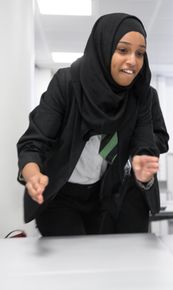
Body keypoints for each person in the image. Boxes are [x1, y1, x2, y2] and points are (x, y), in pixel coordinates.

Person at [17, 13, 160, 236]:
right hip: (60, 195)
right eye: (123, 50)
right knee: (73, 259)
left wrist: (142, 164)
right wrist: (33, 174)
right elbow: (33, 143)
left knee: (105, 260)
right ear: (103, 48)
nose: (133, 61)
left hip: (104, 195)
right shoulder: (67, 83)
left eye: (140, 53)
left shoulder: (140, 94)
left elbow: (144, 142)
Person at [114, 87, 169, 233]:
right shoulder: (95, 93)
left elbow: (163, 140)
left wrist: (140, 141)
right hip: (98, 186)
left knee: (136, 249)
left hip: (135, 188)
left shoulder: (148, 94)